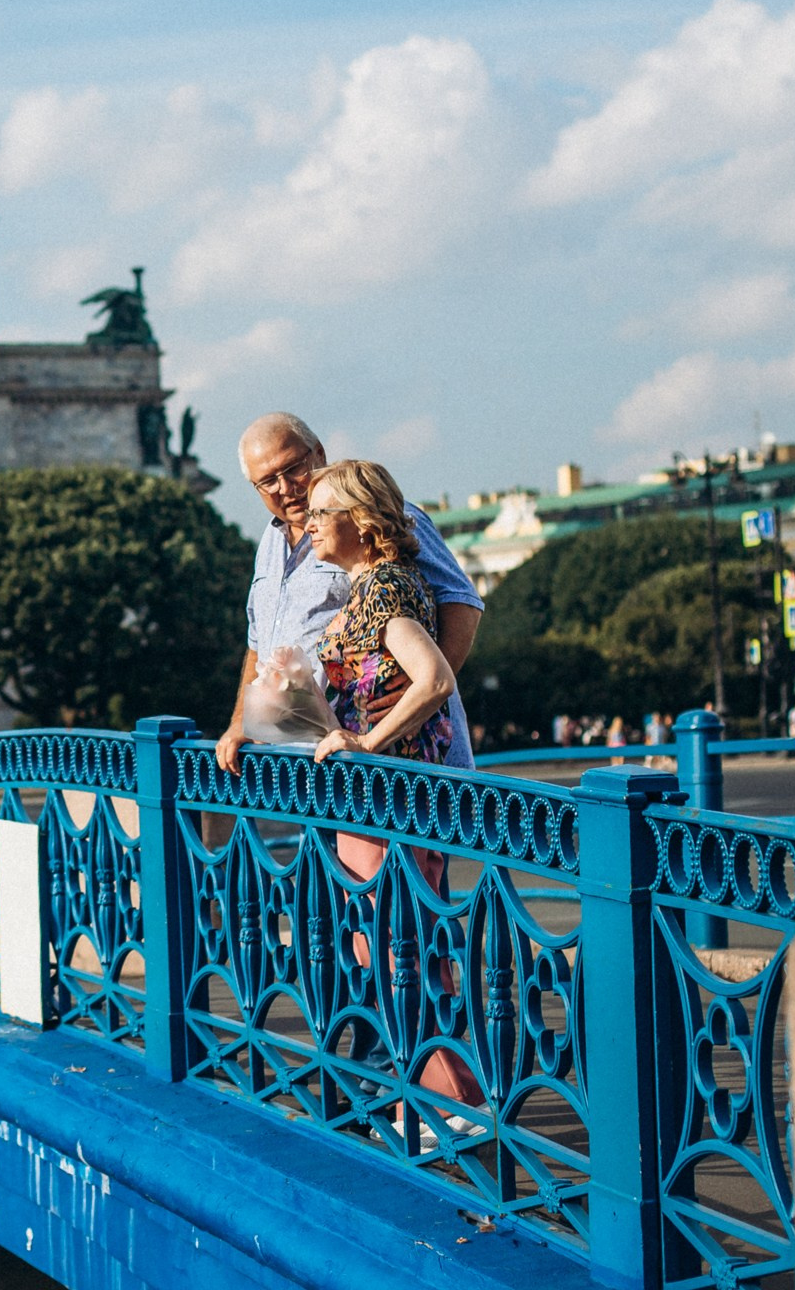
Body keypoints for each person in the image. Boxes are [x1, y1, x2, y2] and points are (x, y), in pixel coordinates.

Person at [298, 461, 483, 1136]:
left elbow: (433, 678)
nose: (309, 525)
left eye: (322, 513)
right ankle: (432, 1099)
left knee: (393, 943)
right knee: (399, 941)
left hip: (390, 797)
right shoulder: (374, 587)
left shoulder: (383, 590)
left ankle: (441, 1106)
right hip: (389, 797)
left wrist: (367, 742)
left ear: (361, 521)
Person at [217, 413, 482, 776]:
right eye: (267, 482)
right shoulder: (268, 542)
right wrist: (242, 722)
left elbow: (461, 605)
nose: (284, 487)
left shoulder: (382, 514)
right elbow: (258, 643)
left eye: (293, 468)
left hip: (385, 762)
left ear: (318, 453)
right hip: (307, 767)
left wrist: (408, 704)